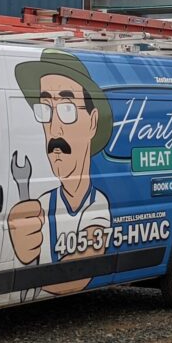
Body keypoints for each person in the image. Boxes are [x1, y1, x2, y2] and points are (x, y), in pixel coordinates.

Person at [8, 49, 113, 294]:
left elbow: (82, 272)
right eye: (45, 110)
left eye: (67, 109)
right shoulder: (42, 204)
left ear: (92, 122)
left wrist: (16, 277)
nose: (54, 128)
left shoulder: (98, 204)